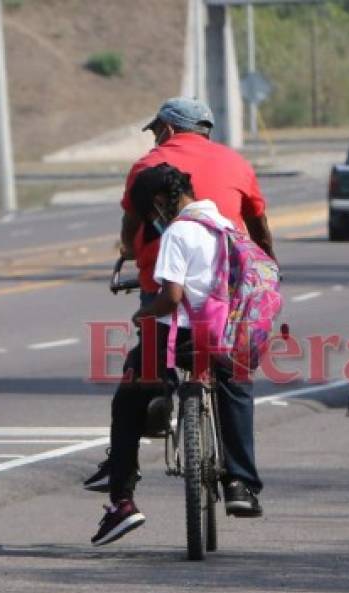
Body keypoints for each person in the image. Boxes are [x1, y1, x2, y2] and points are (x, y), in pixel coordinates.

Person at [83, 97, 275, 493]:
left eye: (155, 131)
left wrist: (129, 252)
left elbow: (130, 223)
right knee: (235, 378)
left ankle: (141, 432)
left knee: (145, 369)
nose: (154, 140)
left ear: (168, 130)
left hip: (164, 288)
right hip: (224, 299)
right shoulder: (236, 163)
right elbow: (259, 227)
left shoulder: (147, 168)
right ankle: (241, 483)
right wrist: (268, 266)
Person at [92, 164, 265, 546]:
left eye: (150, 213)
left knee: (128, 396)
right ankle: (239, 483)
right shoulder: (226, 227)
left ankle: (121, 498)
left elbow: (171, 297)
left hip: (181, 334)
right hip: (226, 334)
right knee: (235, 388)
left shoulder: (177, 232)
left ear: (158, 203)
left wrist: (143, 312)